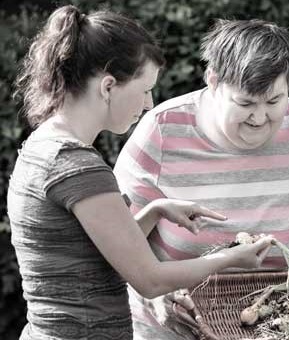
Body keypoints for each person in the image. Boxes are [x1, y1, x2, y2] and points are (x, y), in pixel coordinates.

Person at [7, 6, 274, 340]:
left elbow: (95, 253)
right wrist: (231, 258)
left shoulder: (41, 145)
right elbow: (150, 280)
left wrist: (156, 210)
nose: (149, 103)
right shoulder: (78, 166)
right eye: (145, 88)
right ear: (108, 86)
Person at [112, 18, 289, 339]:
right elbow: (117, 240)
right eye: (245, 103)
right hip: (178, 328)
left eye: (274, 101)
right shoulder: (163, 131)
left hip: (276, 324)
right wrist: (153, 294)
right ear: (213, 80)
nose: (260, 117)